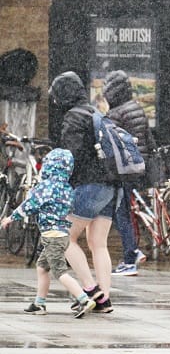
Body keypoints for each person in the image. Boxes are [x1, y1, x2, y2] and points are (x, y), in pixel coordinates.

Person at [0, 149, 97, 318]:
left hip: (52, 236)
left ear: (48, 166)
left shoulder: (46, 187)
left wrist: (11, 217)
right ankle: (40, 303)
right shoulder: (67, 188)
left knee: (59, 272)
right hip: (62, 235)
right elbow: (70, 208)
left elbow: (30, 205)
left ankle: (84, 300)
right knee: (42, 267)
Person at [48, 71, 116, 313]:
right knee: (99, 243)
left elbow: (70, 157)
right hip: (110, 186)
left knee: (62, 237)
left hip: (88, 185)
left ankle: (89, 289)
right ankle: (104, 299)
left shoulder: (74, 117)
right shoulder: (96, 113)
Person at [102, 70, 155, 276]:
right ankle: (134, 248)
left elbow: (110, 146)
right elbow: (148, 139)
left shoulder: (116, 114)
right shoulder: (136, 108)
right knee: (125, 209)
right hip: (140, 166)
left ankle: (130, 258)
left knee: (120, 212)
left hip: (124, 170)